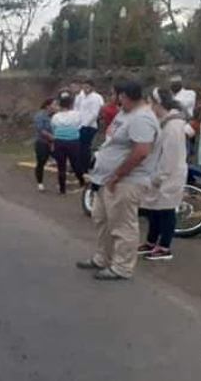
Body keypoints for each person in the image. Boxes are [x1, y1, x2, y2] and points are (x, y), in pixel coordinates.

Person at [77, 80, 160, 281]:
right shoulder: (126, 113)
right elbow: (113, 142)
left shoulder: (142, 118)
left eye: (115, 95)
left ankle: (122, 267)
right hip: (107, 179)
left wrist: (117, 175)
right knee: (102, 219)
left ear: (124, 96)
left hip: (126, 181)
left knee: (123, 225)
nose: (114, 100)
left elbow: (141, 151)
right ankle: (102, 258)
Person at [139, 88, 193, 261]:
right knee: (153, 210)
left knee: (166, 211)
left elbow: (171, 156)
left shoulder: (173, 125)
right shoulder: (165, 121)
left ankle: (164, 248)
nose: (148, 106)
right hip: (160, 173)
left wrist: (159, 176)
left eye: (150, 102)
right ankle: (150, 242)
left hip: (169, 175)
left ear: (158, 103)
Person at [50, 91, 87, 194]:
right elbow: (80, 125)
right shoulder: (76, 114)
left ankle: (62, 189)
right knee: (75, 164)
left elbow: (53, 128)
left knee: (61, 166)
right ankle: (82, 182)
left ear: (60, 105)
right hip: (73, 142)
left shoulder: (55, 117)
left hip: (59, 142)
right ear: (71, 104)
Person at [78, 79, 105, 173]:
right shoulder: (81, 96)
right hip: (79, 124)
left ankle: (85, 168)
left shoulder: (96, 98)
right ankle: (79, 166)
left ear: (92, 87)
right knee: (79, 147)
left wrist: (84, 125)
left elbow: (94, 114)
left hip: (89, 126)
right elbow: (77, 109)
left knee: (85, 147)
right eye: (84, 86)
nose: (85, 89)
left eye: (88, 87)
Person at [32, 98, 57, 191]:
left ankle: (60, 183)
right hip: (42, 143)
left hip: (53, 143)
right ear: (48, 106)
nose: (56, 106)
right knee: (41, 162)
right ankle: (40, 183)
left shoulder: (55, 116)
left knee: (61, 160)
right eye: (54, 104)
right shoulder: (39, 116)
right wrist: (53, 138)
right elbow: (42, 131)